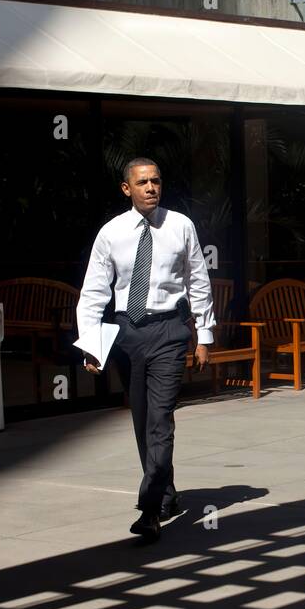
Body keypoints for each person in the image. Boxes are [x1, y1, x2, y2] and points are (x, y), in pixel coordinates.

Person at [76, 157, 215, 543]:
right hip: (127, 335)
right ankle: (166, 494)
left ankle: (150, 510)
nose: (151, 187)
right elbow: (94, 291)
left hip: (169, 330)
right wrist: (91, 344)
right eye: (142, 182)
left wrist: (204, 335)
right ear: (127, 189)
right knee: (142, 421)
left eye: (156, 180)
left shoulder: (181, 226)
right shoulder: (111, 233)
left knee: (160, 420)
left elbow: (198, 281)